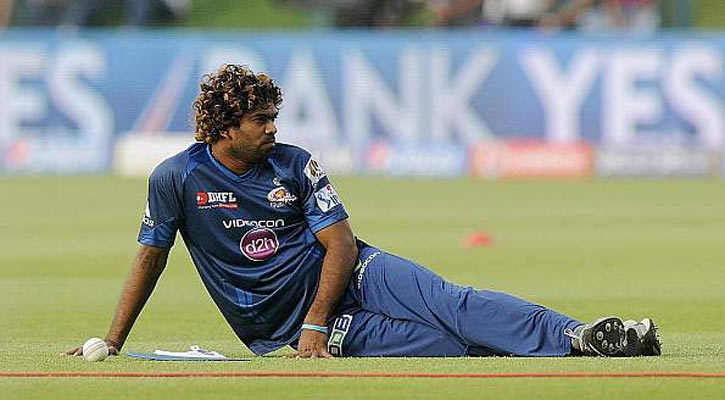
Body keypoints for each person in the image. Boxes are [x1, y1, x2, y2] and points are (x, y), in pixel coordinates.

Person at [67, 65, 660, 359]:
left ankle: (583, 336)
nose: (273, 129)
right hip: (283, 327)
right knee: (446, 344)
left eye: (275, 117)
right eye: (261, 120)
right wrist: (113, 342)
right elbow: (150, 259)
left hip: (353, 275)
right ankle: (570, 343)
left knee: (454, 302)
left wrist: (316, 322)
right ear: (225, 127)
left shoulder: (295, 163)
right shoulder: (176, 177)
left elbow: (341, 245)